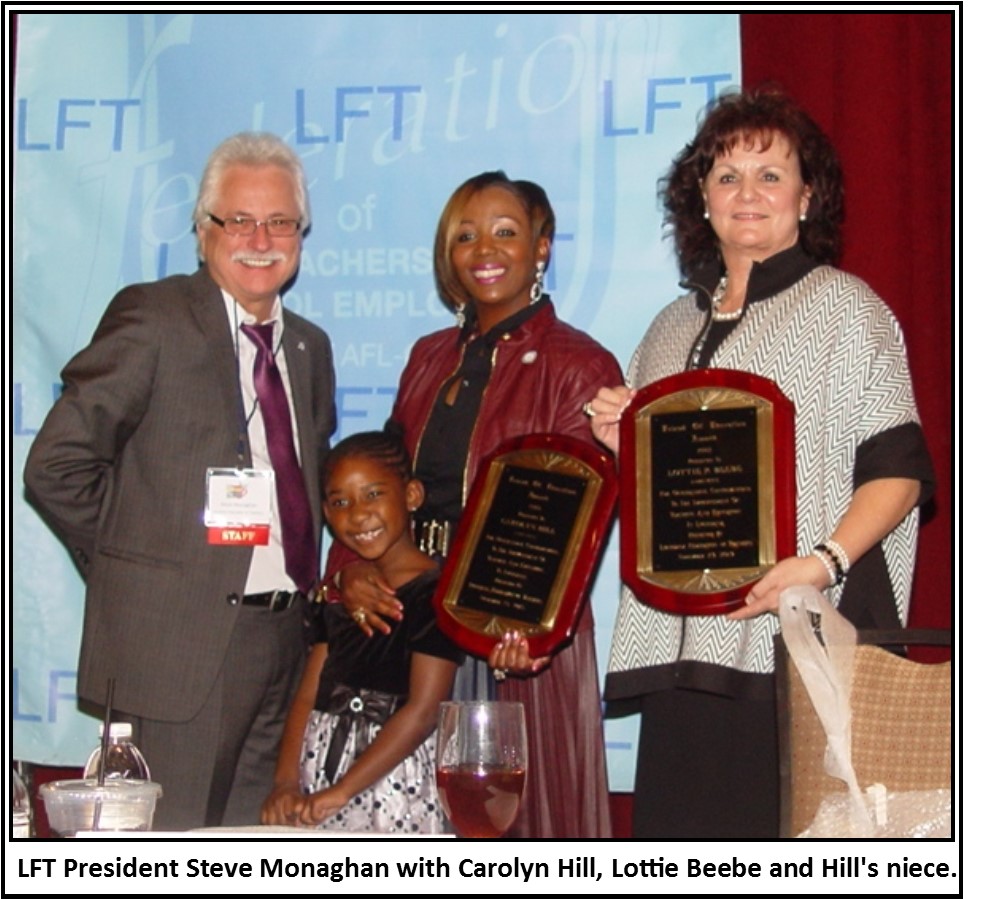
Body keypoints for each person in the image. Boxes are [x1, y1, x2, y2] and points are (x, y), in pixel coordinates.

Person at [587, 88, 934, 838]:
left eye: (770, 175)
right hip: (686, 651)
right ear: (702, 199)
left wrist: (821, 563)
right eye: (727, 176)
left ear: (807, 198)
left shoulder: (849, 310)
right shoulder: (670, 327)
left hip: (795, 640)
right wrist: (626, 446)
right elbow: (667, 492)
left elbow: (900, 472)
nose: (747, 193)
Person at [23, 132, 336, 830]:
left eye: (280, 221)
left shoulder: (310, 346)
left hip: (285, 643)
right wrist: (145, 567)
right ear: (203, 231)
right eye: (239, 220)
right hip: (179, 647)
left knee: (251, 851)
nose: (261, 240)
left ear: (301, 235)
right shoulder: (154, 318)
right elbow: (56, 466)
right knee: (172, 852)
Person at [329, 171, 622, 838]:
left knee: (511, 837)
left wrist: (530, 631)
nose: (484, 249)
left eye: (505, 232)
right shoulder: (427, 357)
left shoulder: (580, 364)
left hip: (513, 643)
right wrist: (348, 569)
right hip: (413, 627)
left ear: (541, 247)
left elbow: (574, 525)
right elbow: (379, 483)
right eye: (465, 236)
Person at [262, 430, 461, 832]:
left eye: (373, 495)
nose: (357, 514)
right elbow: (307, 696)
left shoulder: (438, 595)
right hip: (318, 772)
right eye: (340, 502)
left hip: (391, 781)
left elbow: (423, 712)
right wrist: (285, 783)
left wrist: (343, 791)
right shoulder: (340, 594)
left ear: (411, 495)